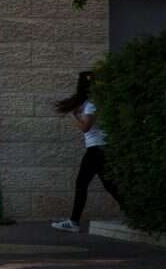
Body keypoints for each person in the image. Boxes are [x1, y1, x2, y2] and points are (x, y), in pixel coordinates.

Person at [51, 71, 124, 232]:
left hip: (96, 149)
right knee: (109, 185)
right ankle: (135, 213)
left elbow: (86, 127)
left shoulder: (91, 104)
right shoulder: (94, 102)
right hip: (100, 148)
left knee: (82, 184)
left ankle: (74, 222)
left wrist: (75, 116)